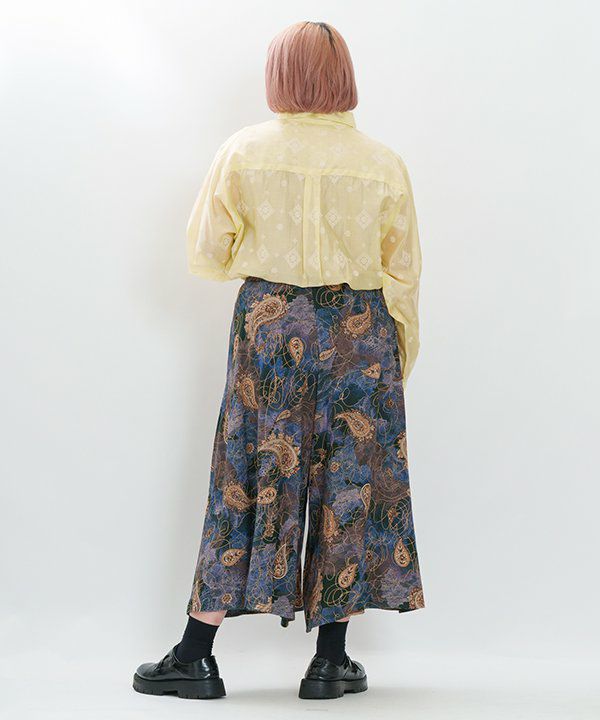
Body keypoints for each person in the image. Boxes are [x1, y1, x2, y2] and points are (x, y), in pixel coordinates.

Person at [133, 19, 425, 701]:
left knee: (244, 470)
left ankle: (195, 655)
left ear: (280, 76)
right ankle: (330, 663)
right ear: (344, 75)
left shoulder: (244, 151)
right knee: (351, 475)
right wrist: (397, 355)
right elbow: (403, 272)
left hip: (271, 327)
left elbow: (206, 253)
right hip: (360, 329)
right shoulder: (382, 162)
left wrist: (269, 264)